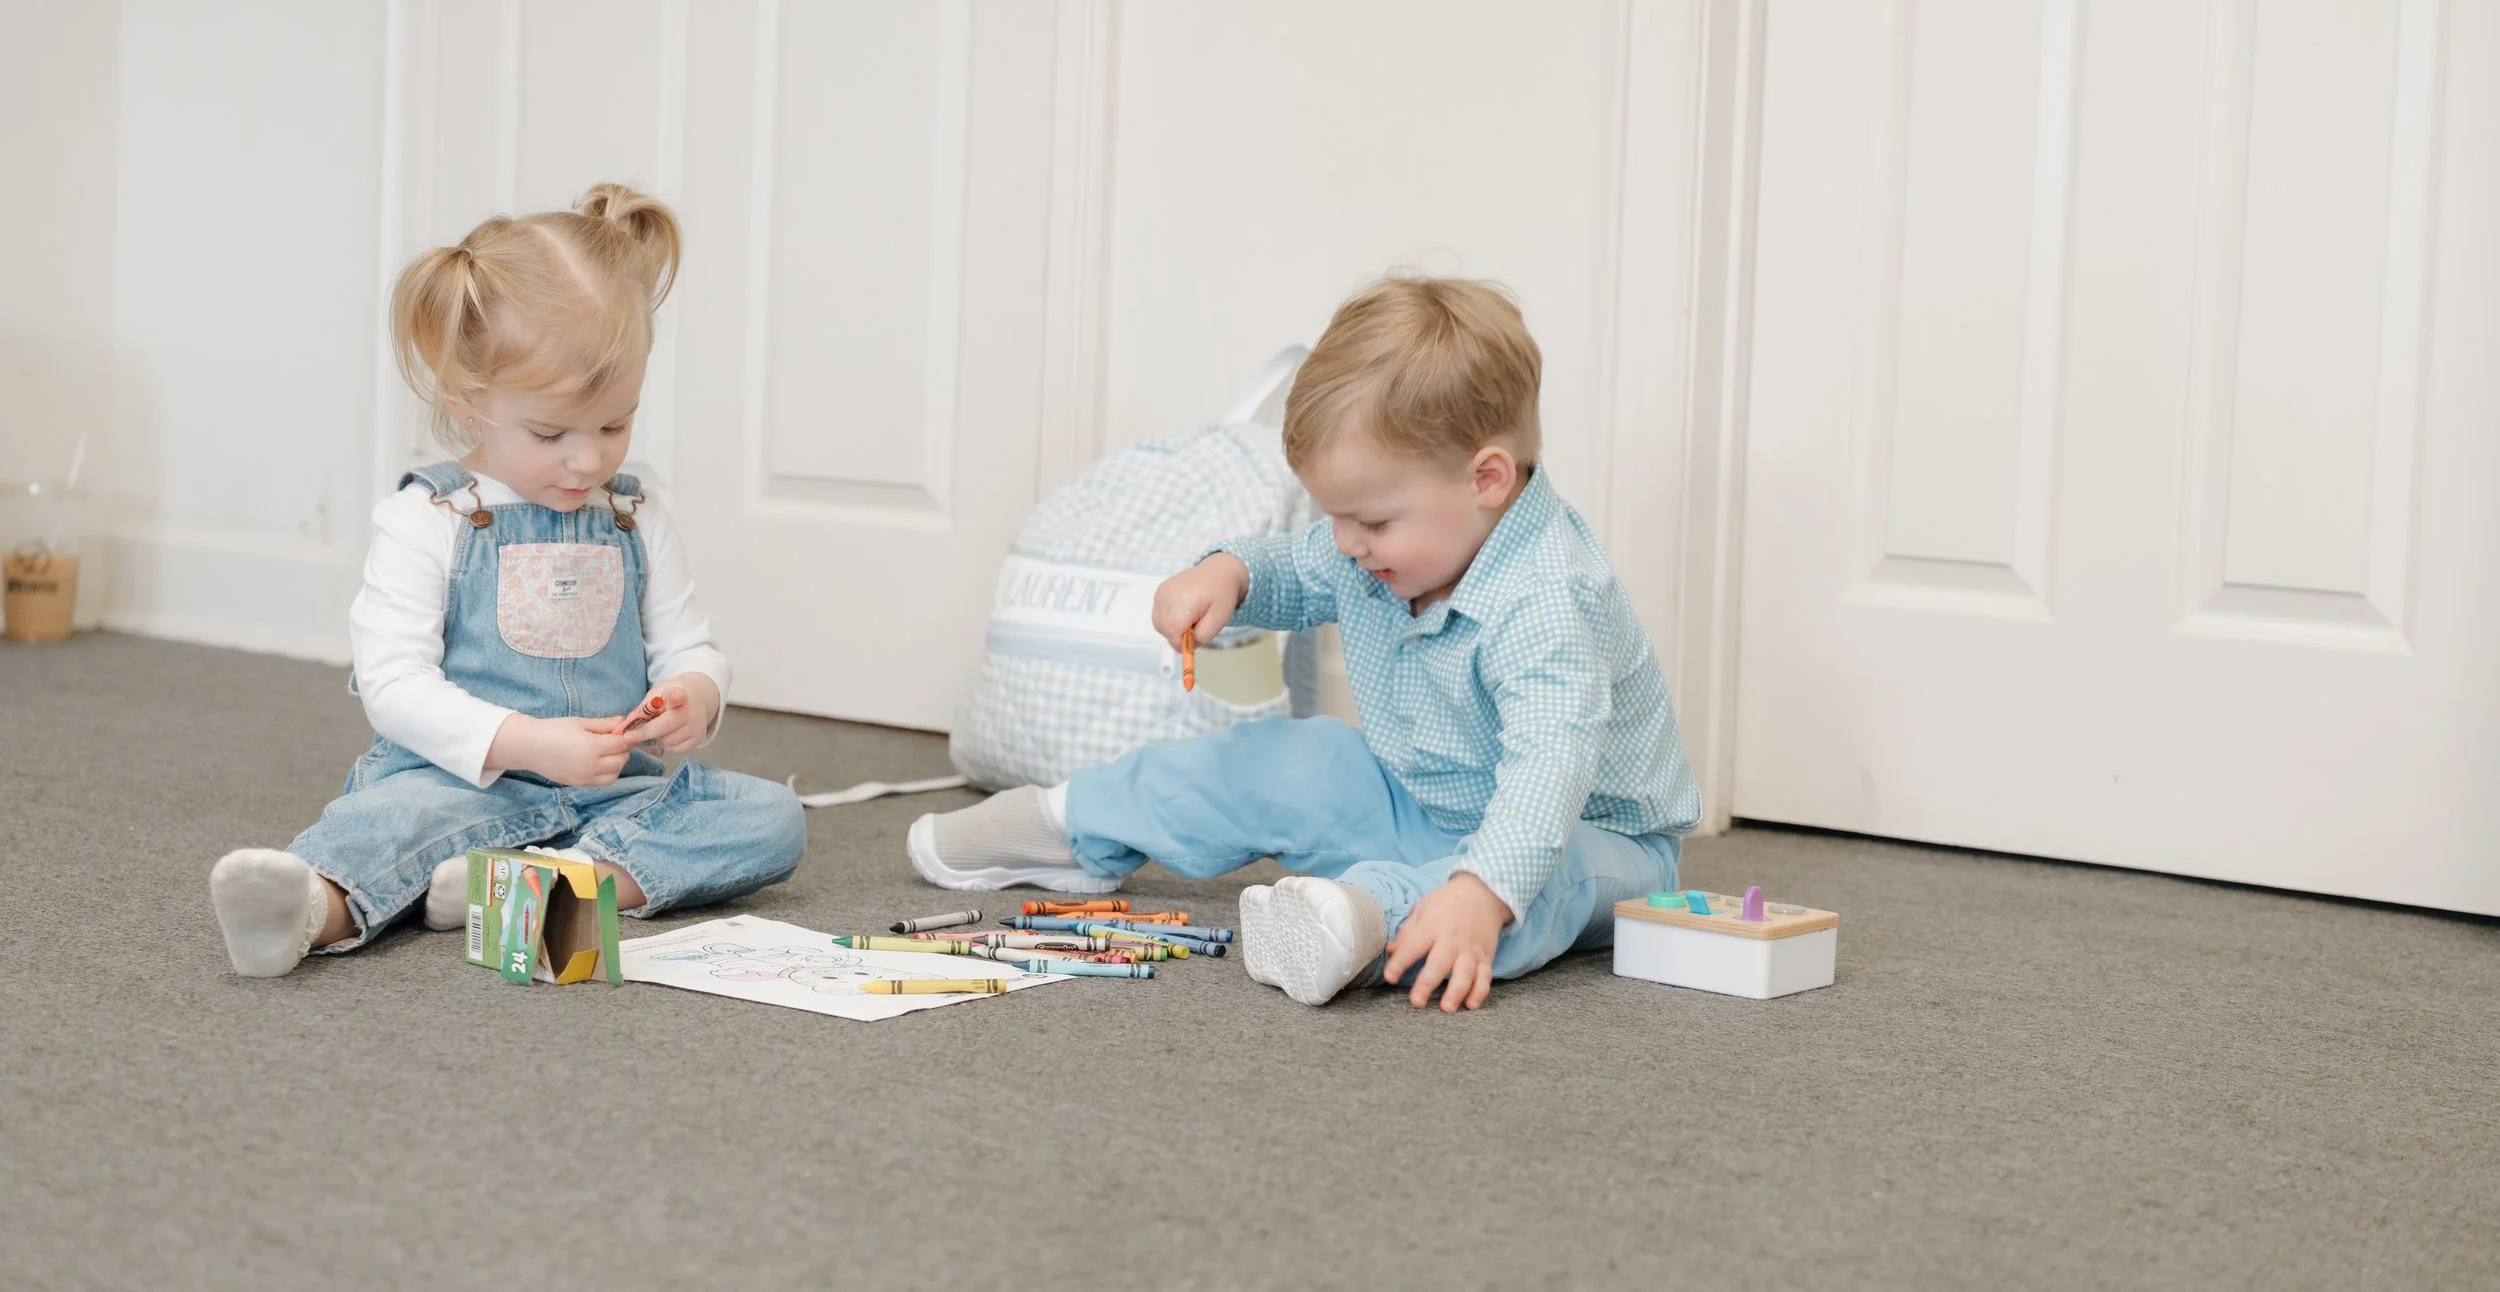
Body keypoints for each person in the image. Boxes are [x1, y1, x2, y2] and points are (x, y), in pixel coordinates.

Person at [908, 275, 1700, 1010]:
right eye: (1334, 516)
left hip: (1597, 845)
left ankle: (1364, 920)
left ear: (1486, 479)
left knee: (1535, 882)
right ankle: (1081, 821)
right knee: (1292, 756)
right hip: (1421, 803)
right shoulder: (1372, 546)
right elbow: (1295, 567)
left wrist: (1481, 888)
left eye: (1372, 520)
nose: (1347, 542)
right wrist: (1230, 573)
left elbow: (1548, 771)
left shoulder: (1548, 599)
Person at [208, 185, 804, 977]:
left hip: (609, 799)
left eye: (614, 424)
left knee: (772, 818)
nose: (588, 458)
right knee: (388, 825)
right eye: (550, 432)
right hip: (457, 786)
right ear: (469, 402)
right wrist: (528, 743)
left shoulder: (634, 516)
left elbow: (688, 642)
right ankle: (310, 909)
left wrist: (696, 690)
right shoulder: (428, 518)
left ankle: (551, 881)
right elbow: (392, 685)